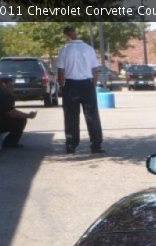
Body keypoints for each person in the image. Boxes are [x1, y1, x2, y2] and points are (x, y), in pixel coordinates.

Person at [56, 26, 104, 154]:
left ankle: (71, 145)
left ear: (66, 36)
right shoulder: (89, 49)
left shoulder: (64, 50)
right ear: (76, 34)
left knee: (71, 116)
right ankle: (96, 145)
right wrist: (92, 85)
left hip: (70, 85)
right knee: (92, 116)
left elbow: (60, 71)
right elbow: (95, 70)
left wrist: (61, 85)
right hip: (87, 84)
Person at [0, 77, 37, 148]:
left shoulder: (3, 94)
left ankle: (10, 142)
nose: (13, 86)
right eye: (11, 84)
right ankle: (9, 143)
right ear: (4, 84)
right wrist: (27, 115)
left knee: (21, 119)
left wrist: (26, 115)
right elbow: (11, 113)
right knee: (20, 121)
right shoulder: (1, 95)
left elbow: (12, 110)